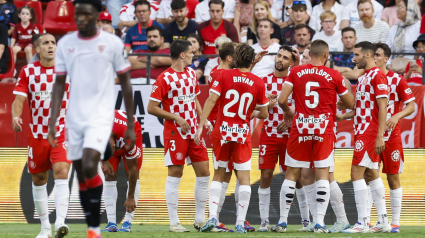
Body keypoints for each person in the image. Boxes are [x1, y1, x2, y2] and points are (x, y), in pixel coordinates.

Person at [48, 1, 136, 238]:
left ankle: (94, 229)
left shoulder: (111, 43)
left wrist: (129, 124)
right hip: (74, 117)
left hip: (100, 115)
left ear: (98, 16)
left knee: (89, 165)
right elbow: (58, 85)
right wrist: (52, 121)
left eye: (87, 13)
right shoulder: (66, 44)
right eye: (78, 13)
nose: (81, 18)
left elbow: (126, 84)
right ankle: (93, 224)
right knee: (80, 169)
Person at [276, 39, 354, 233]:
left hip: (300, 127)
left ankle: (282, 221)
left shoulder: (295, 72)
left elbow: (282, 100)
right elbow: (350, 102)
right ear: (326, 55)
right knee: (321, 176)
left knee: (294, 174)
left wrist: (288, 112)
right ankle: (318, 222)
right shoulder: (334, 75)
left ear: (309, 55)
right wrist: (335, 107)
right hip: (324, 129)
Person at [195, 43, 269, 233]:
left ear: (235, 58)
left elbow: (211, 100)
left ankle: (212, 217)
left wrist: (201, 125)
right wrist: (250, 113)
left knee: (219, 175)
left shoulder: (222, 75)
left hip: (222, 131)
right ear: (252, 60)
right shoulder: (258, 82)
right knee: (244, 178)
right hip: (242, 132)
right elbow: (265, 113)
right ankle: (239, 223)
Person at [147, 39, 210, 232]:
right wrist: (175, 117)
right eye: (191, 52)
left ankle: (200, 220)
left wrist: (202, 122)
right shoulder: (164, 79)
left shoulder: (192, 74)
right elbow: (151, 108)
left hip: (193, 132)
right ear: (182, 55)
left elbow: (195, 99)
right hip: (175, 132)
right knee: (176, 174)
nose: (194, 54)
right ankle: (174, 222)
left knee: (205, 172)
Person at [12, 33, 71, 238]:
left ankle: (61, 224)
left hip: (61, 132)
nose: (50, 46)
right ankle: (45, 228)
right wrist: (16, 117)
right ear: (37, 49)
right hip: (37, 134)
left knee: (62, 172)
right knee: (39, 180)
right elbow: (18, 101)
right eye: (45, 43)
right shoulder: (28, 71)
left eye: (53, 43)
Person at [337, 41, 391, 233]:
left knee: (356, 173)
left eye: (356, 55)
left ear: (367, 55)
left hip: (369, 132)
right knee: (370, 173)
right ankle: (383, 221)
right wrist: (343, 116)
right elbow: (362, 108)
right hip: (363, 130)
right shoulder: (364, 77)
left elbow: (383, 107)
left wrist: (380, 136)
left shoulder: (377, 76)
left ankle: (362, 222)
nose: (353, 58)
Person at [373, 42, 415, 233]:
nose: (374, 57)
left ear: (386, 58)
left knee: (393, 178)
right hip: (371, 135)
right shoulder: (367, 78)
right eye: (372, 54)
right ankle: (376, 221)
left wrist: (397, 115)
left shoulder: (396, 80)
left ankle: (395, 223)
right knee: (369, 177)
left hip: (391, 136)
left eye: (378, 55)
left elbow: (411, 105)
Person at [257, 45, 296, 232]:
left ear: (291, 62)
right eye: (279, 56)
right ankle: (264, 222)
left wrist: (291, 120)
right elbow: (252, 111)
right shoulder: (263, 82)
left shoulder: (294, 82)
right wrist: (267, 106)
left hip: (291, 136)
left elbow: (305, 108)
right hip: (269, 135)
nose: (280, 59)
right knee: (265, 176)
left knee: (297, 179)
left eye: (285, 57)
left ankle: (289, 220)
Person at [102, 110, 143, 233]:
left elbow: (133, 170)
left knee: (130, 174)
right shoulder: (97, 132)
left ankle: (127, 223)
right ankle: (111, 223)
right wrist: (105, 161)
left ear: (114, 146)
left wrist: (130, 197)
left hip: (129, 132)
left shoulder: (129, 138)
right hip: (112, 138)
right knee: (108, 176)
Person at [386, 0, 421, 67]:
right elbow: (387, 49)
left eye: (400, 7)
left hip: (413, 67)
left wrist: (410, 67)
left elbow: (421, 50)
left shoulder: (418, 27)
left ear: (409, 9)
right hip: (394, 65)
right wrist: (388, 65)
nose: (397, 10)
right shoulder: (395, 28)